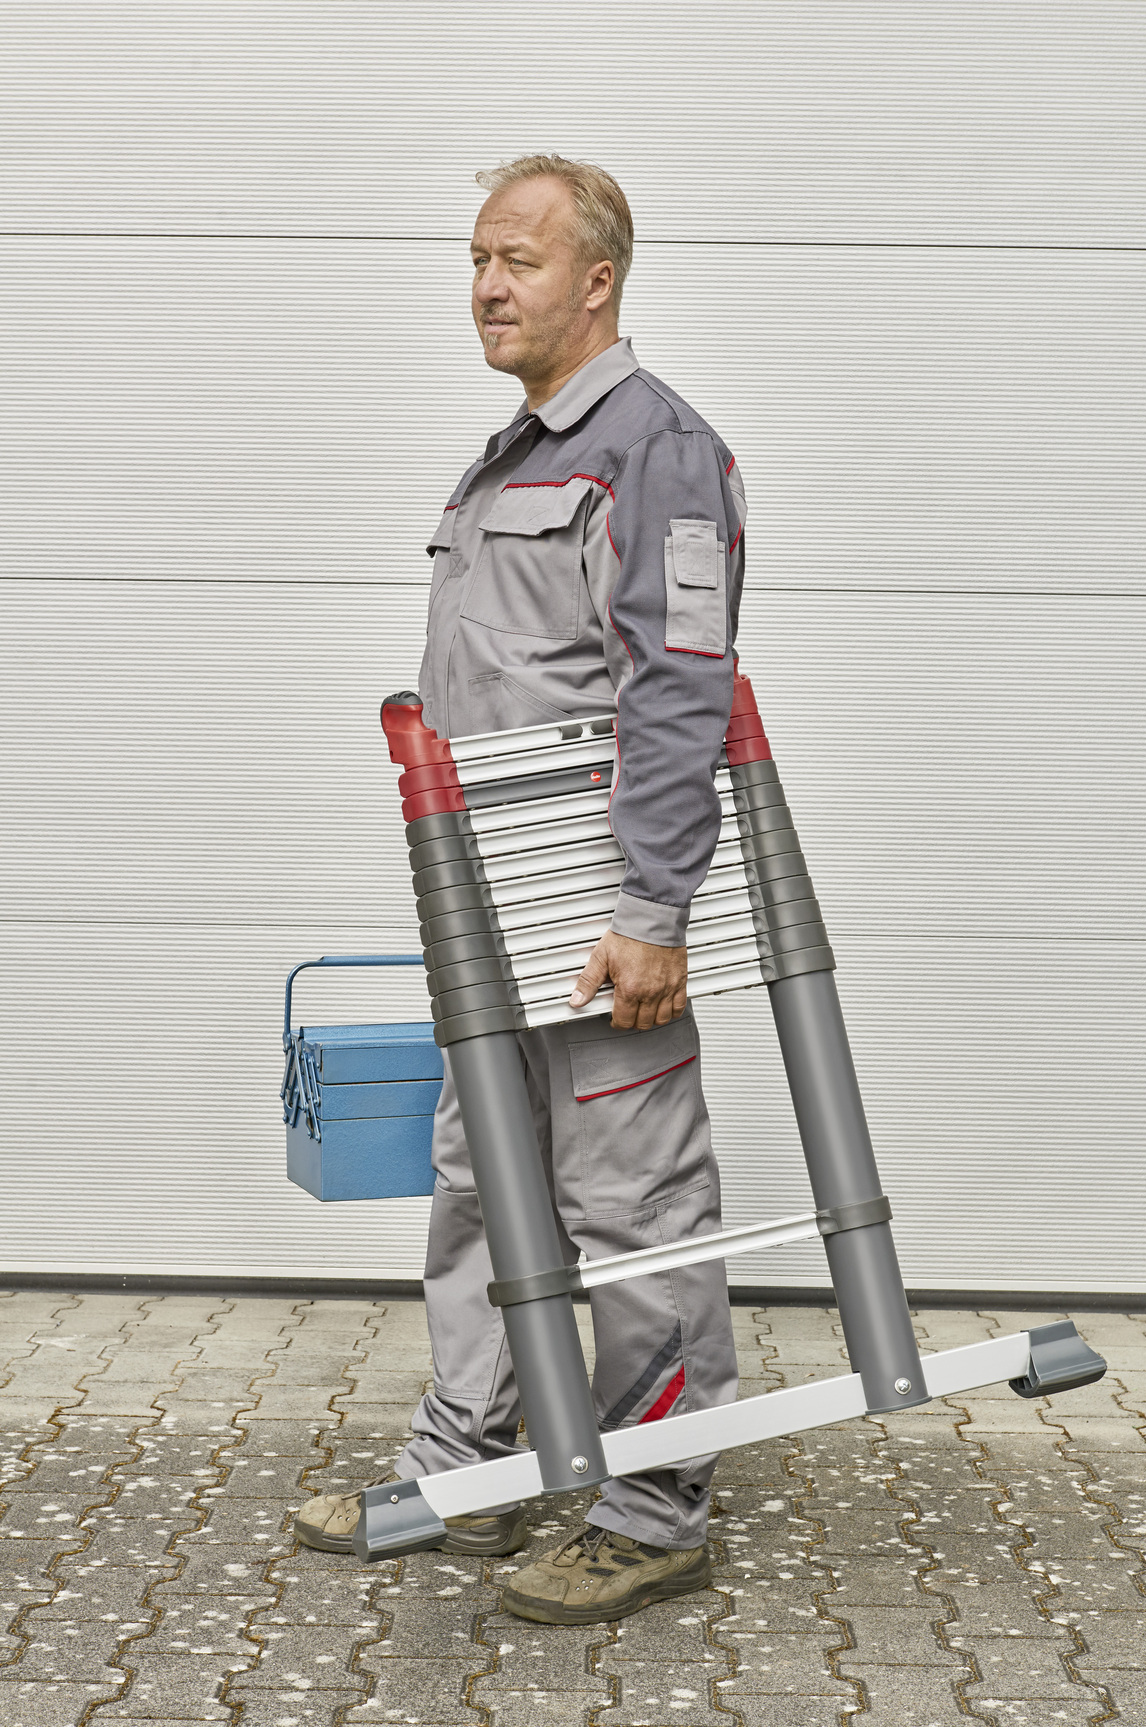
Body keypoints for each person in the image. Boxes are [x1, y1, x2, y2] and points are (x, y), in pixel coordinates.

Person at [296, 154, 746, 1625]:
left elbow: (678, 691)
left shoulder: (654, 453)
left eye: (518, 261)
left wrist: (654, 913)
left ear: (596, 280)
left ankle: (654, 1506)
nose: (487, 287)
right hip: (493, 911)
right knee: (480, 1181)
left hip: (596, 912)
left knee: (632, 1203)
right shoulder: (518, 451)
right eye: (478, 260)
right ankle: (471, 1466)